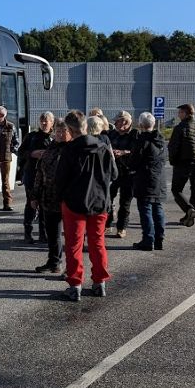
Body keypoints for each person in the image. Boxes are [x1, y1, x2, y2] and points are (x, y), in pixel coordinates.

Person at [55, 110, 118, 302]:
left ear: (70, 129)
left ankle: (75, 285)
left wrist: (60, 198)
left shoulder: (69, 150)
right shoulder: (103, 147)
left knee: (74, 245)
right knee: (97, 243)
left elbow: (60, 179)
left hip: (75, 202)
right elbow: (114, 174)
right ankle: (100, 282)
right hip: (99, 201)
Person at [31, 121, 71, 275]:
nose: (60, 134)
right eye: (58, 131)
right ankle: (54, 262)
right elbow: (39, 174)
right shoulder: (50, 149)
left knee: (72, 235)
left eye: (64, 131)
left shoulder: (73, 149)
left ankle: (72, 267)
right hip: (48, 198)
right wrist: (35, 196)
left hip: (68, 199)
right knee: (52, 234)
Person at [129, 112, 167, 251]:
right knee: (158, 208)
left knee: (146, 209)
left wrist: (130, 165)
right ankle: (159, 239)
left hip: (145, 178)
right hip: (159, 178)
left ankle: (148, 240)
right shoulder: (160, 140)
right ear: (153, 124)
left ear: (140, 124)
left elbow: (134, 161)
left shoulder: (142, 141)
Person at [17, 112, 54, 242]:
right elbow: (20, 151)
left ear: (52, 122)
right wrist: (32, 153)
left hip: (48, 177)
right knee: (31, 203)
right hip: (31, 174)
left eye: (46, 121)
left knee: (45, 205)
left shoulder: (54, 138)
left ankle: (43, 234)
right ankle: (28, 233)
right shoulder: (31, 136)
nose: (43, 123)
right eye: (42, 120)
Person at [107, 111, 139, 238]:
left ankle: (121, 227)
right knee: (108, 199)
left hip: (129, 172)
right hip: (113, 172)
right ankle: (107, 223)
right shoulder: (112, 134)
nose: (115, 124)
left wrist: (124, 152)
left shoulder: (135, 134)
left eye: (118, 121)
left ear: (125, 122)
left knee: (125, 202)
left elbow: (138, 151)